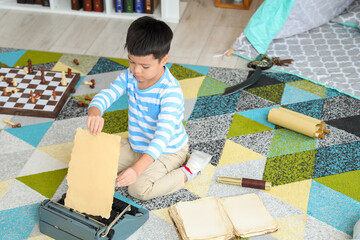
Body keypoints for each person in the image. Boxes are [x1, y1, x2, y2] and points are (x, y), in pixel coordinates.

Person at [86, 16, 211, 201]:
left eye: (145, 66)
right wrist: (94, 111)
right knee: (94, 159)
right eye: (131, 62)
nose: (136, 71)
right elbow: (109, 93)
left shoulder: (170, 92)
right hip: (137, 144)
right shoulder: (130, 76)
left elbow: (161, 138)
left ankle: (190, 169)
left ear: (164, 60)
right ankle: (140, 164)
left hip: (167, 150)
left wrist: (137, 169)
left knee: (138, 189)